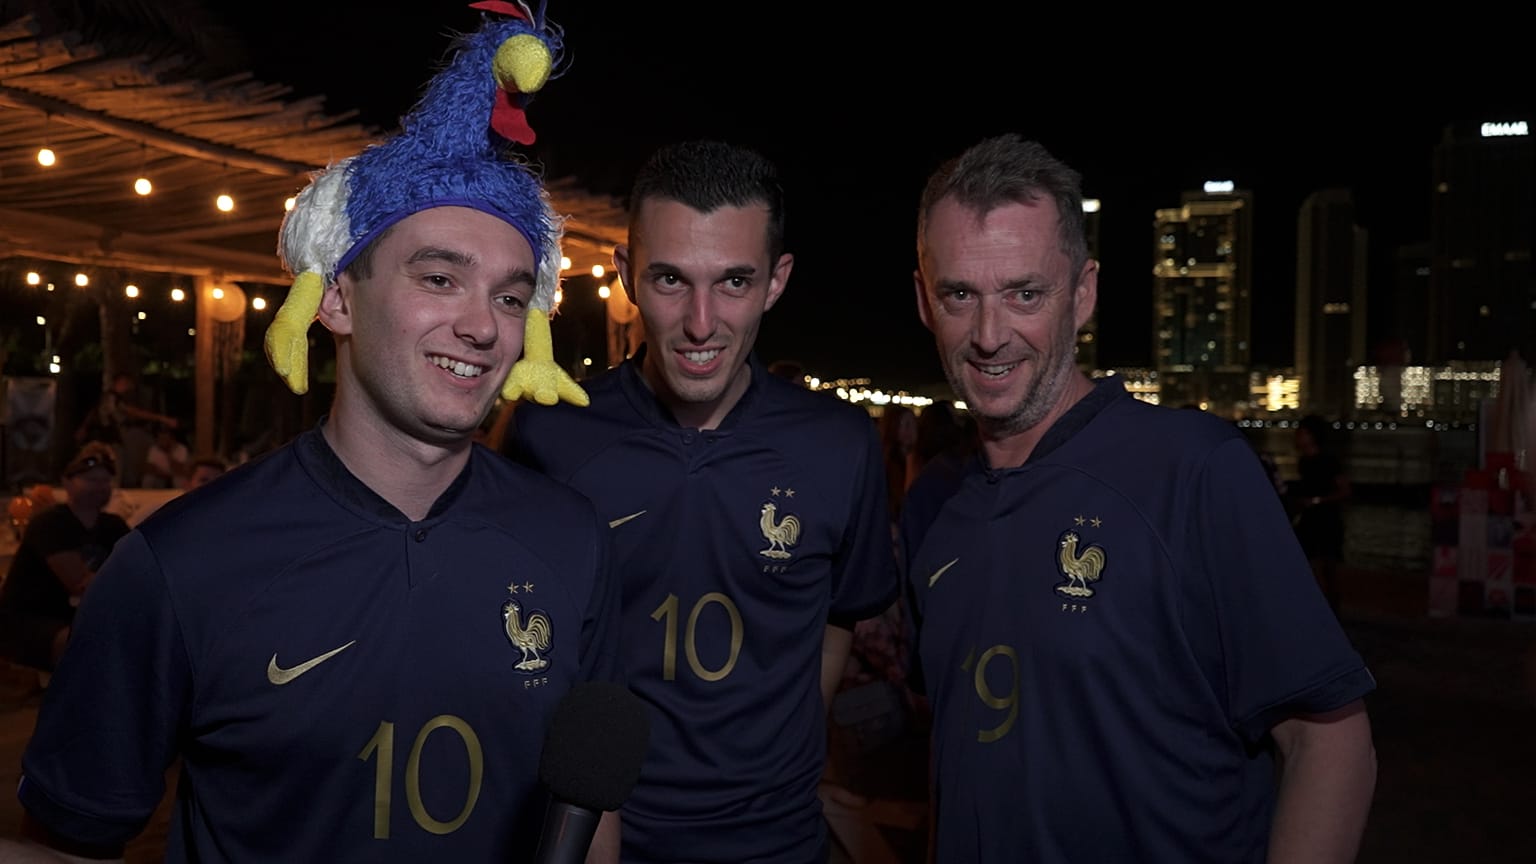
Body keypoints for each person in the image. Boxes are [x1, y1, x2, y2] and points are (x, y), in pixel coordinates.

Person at [4, 6, 624, 862]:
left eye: (512, 296)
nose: (482, 325)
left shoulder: (573, 541)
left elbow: (591, 820)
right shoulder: (181, 566)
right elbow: (68, 842)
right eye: (439, 277)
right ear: (335, 298)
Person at [901, 134, 1377, 863]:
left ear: (1083, 293)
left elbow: (1328, 741)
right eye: (960, 295)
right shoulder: (936, 501)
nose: (990, 335)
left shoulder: (1193, 470)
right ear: (925, 302)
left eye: (1025, 293)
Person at [510, 140, 899, 863]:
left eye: (733, 282)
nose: (699, 322)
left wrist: (774, 747)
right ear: (626, 276)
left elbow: (838, 614)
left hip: (779, 841)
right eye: (669, 280)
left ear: (776, 281)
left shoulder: (838, 443)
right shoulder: (550, 433)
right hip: (602, 842)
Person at [0, 442, 129, 674]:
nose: (100, 487)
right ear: (67, 482)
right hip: (31, 621)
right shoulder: (50, 523)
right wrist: (115, 580)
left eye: (105, 481)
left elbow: (138, 575)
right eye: (91, 480)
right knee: (85, 643)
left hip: (82, 617)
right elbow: (79, 582)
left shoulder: (114, 526)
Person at [1292, 414, 1350, 612]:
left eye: (1301, 433)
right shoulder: (1303, 462)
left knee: (1328, 571)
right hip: (1309, 521)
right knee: (1308, 568)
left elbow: (1344, 491)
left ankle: (1332, 615)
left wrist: (1317, 501)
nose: (1297, 437)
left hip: (1327, 521)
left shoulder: (1328, 461)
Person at [141, 423, 191, 489]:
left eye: (164, 438)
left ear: (172, 439)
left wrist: (169, 454)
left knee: (179, 480)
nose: (162, 441)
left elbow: (179, 469)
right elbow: (149, 467)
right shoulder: (154, 448)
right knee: (148, 479)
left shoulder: (182, 449)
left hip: (176, 475)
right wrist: (161, 473)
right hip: (160, 475)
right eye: (160, 438)